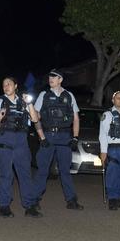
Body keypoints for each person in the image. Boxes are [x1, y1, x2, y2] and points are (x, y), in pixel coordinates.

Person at [0, 77, 42, 218]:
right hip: (4, 144)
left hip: (21, 144)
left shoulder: (23, 101)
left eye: (9, 84)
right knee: (6, 176)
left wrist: (29, 103)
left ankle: (29, 206)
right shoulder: (0, 102)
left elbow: (35, 119)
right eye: (4, 84)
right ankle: (4, 206)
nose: (6, 86)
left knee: (25, 175)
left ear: (16, 86)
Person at [32, 69, 83, 211]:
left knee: (65, 170)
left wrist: (75, 137)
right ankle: (34, 200)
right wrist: (41, 136)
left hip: (65, 137)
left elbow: (76, 118)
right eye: (50, 76)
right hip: (48, 135)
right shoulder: (44, 95)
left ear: (60, 79)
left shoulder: (69, 95)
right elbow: (36, 118)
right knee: (43, 170)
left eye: (54, 77)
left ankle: (71, 200)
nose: (51, 78)